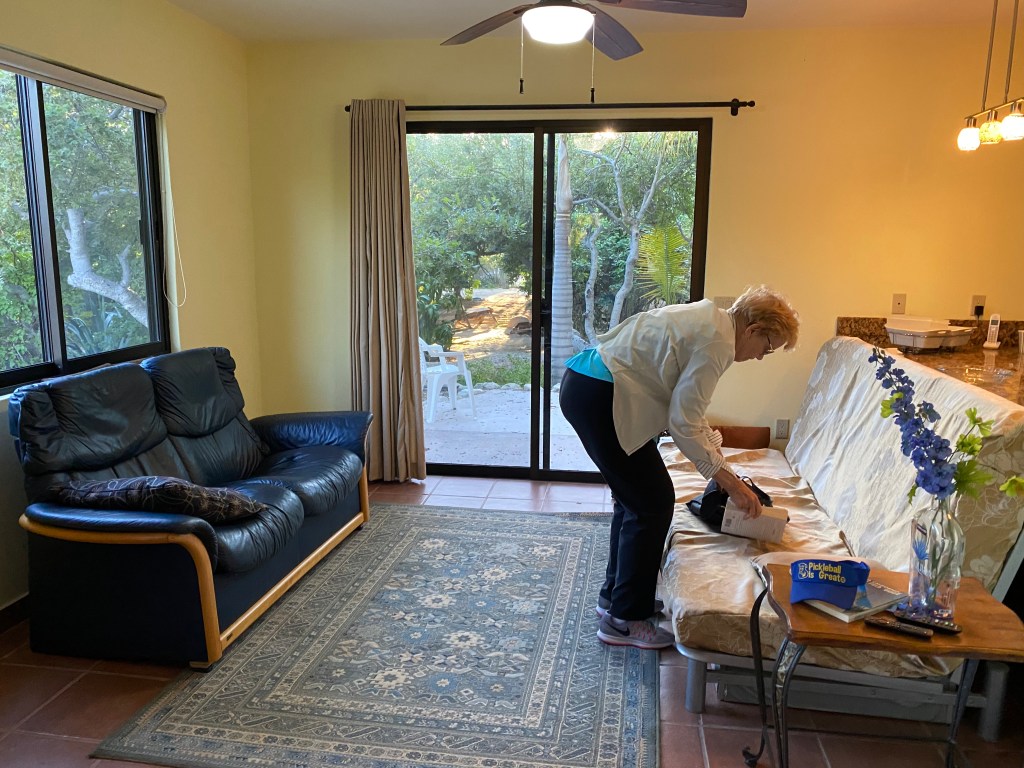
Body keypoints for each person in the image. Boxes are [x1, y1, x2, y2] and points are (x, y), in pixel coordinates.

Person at [558, 285, 800, 650]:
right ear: (752, 330)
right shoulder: (716, 343)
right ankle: (624, 620)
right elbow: (683, 423)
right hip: (602, 395)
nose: (761, 357)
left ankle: (617, 599)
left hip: (589, 386)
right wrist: (732, 484)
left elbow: (690, 411)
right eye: (767, 347)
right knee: (652, 504)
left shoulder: (711, 321)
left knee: (634, 500)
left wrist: (721, 463)